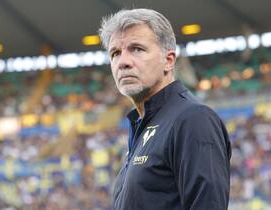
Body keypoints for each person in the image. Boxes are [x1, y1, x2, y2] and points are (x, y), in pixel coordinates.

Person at [99, 8, 231, 210]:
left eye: (137, 49)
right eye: (115, 53)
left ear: (168, 61)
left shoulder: (193, 119)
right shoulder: (145, 124)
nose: (123, 62)